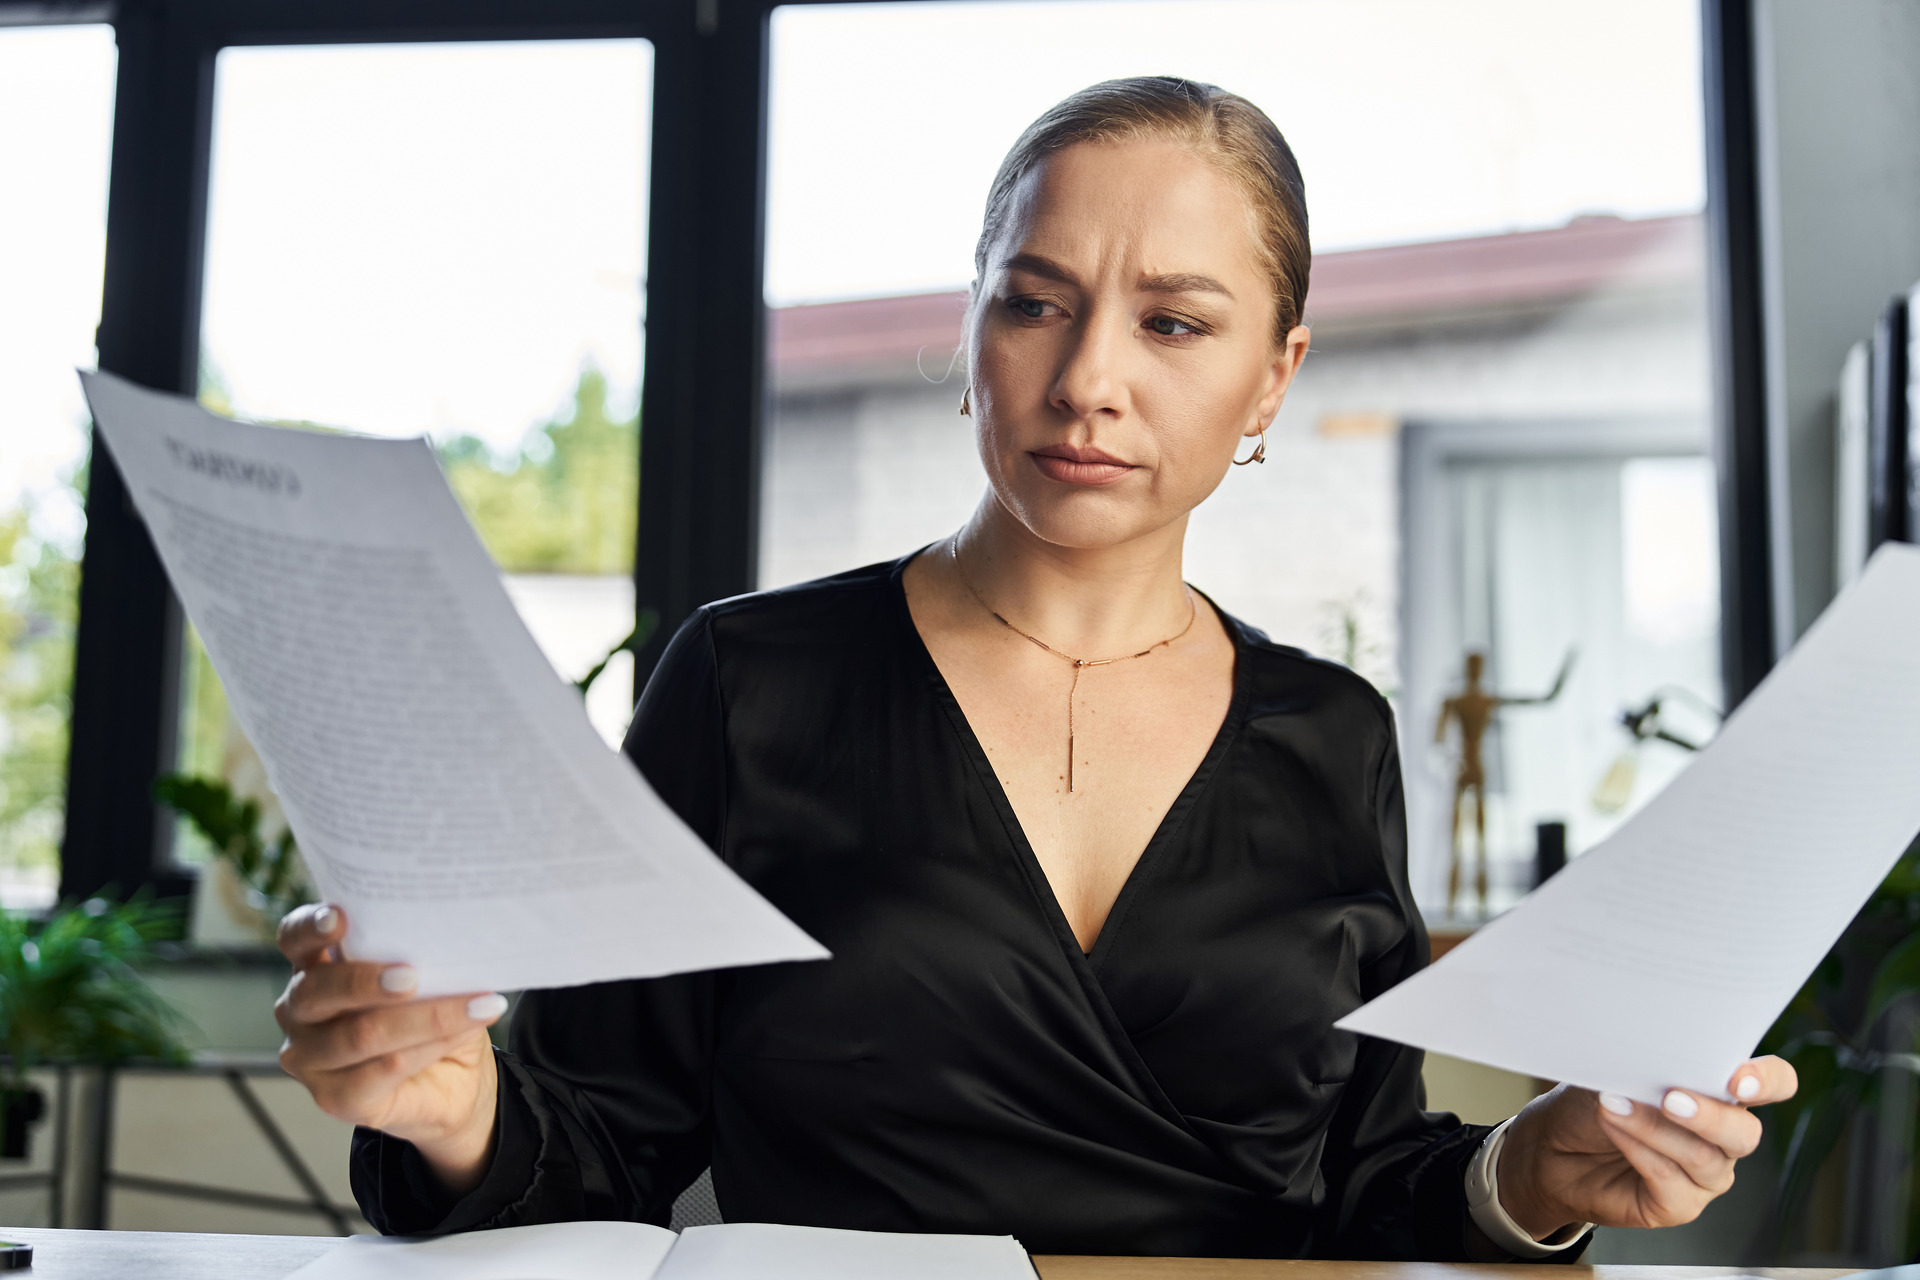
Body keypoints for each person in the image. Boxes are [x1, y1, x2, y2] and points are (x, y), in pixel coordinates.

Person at [272, 77, 1793, 1259]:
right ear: (975, 318)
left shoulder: (1336, 733)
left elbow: (1362, 1192)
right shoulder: (750, 680)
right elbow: (598, 1150)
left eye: (1175, 323)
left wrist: (1526, 1176)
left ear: (1276, 375)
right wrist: (455, 1111)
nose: (1086, 383)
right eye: (1035, 301)